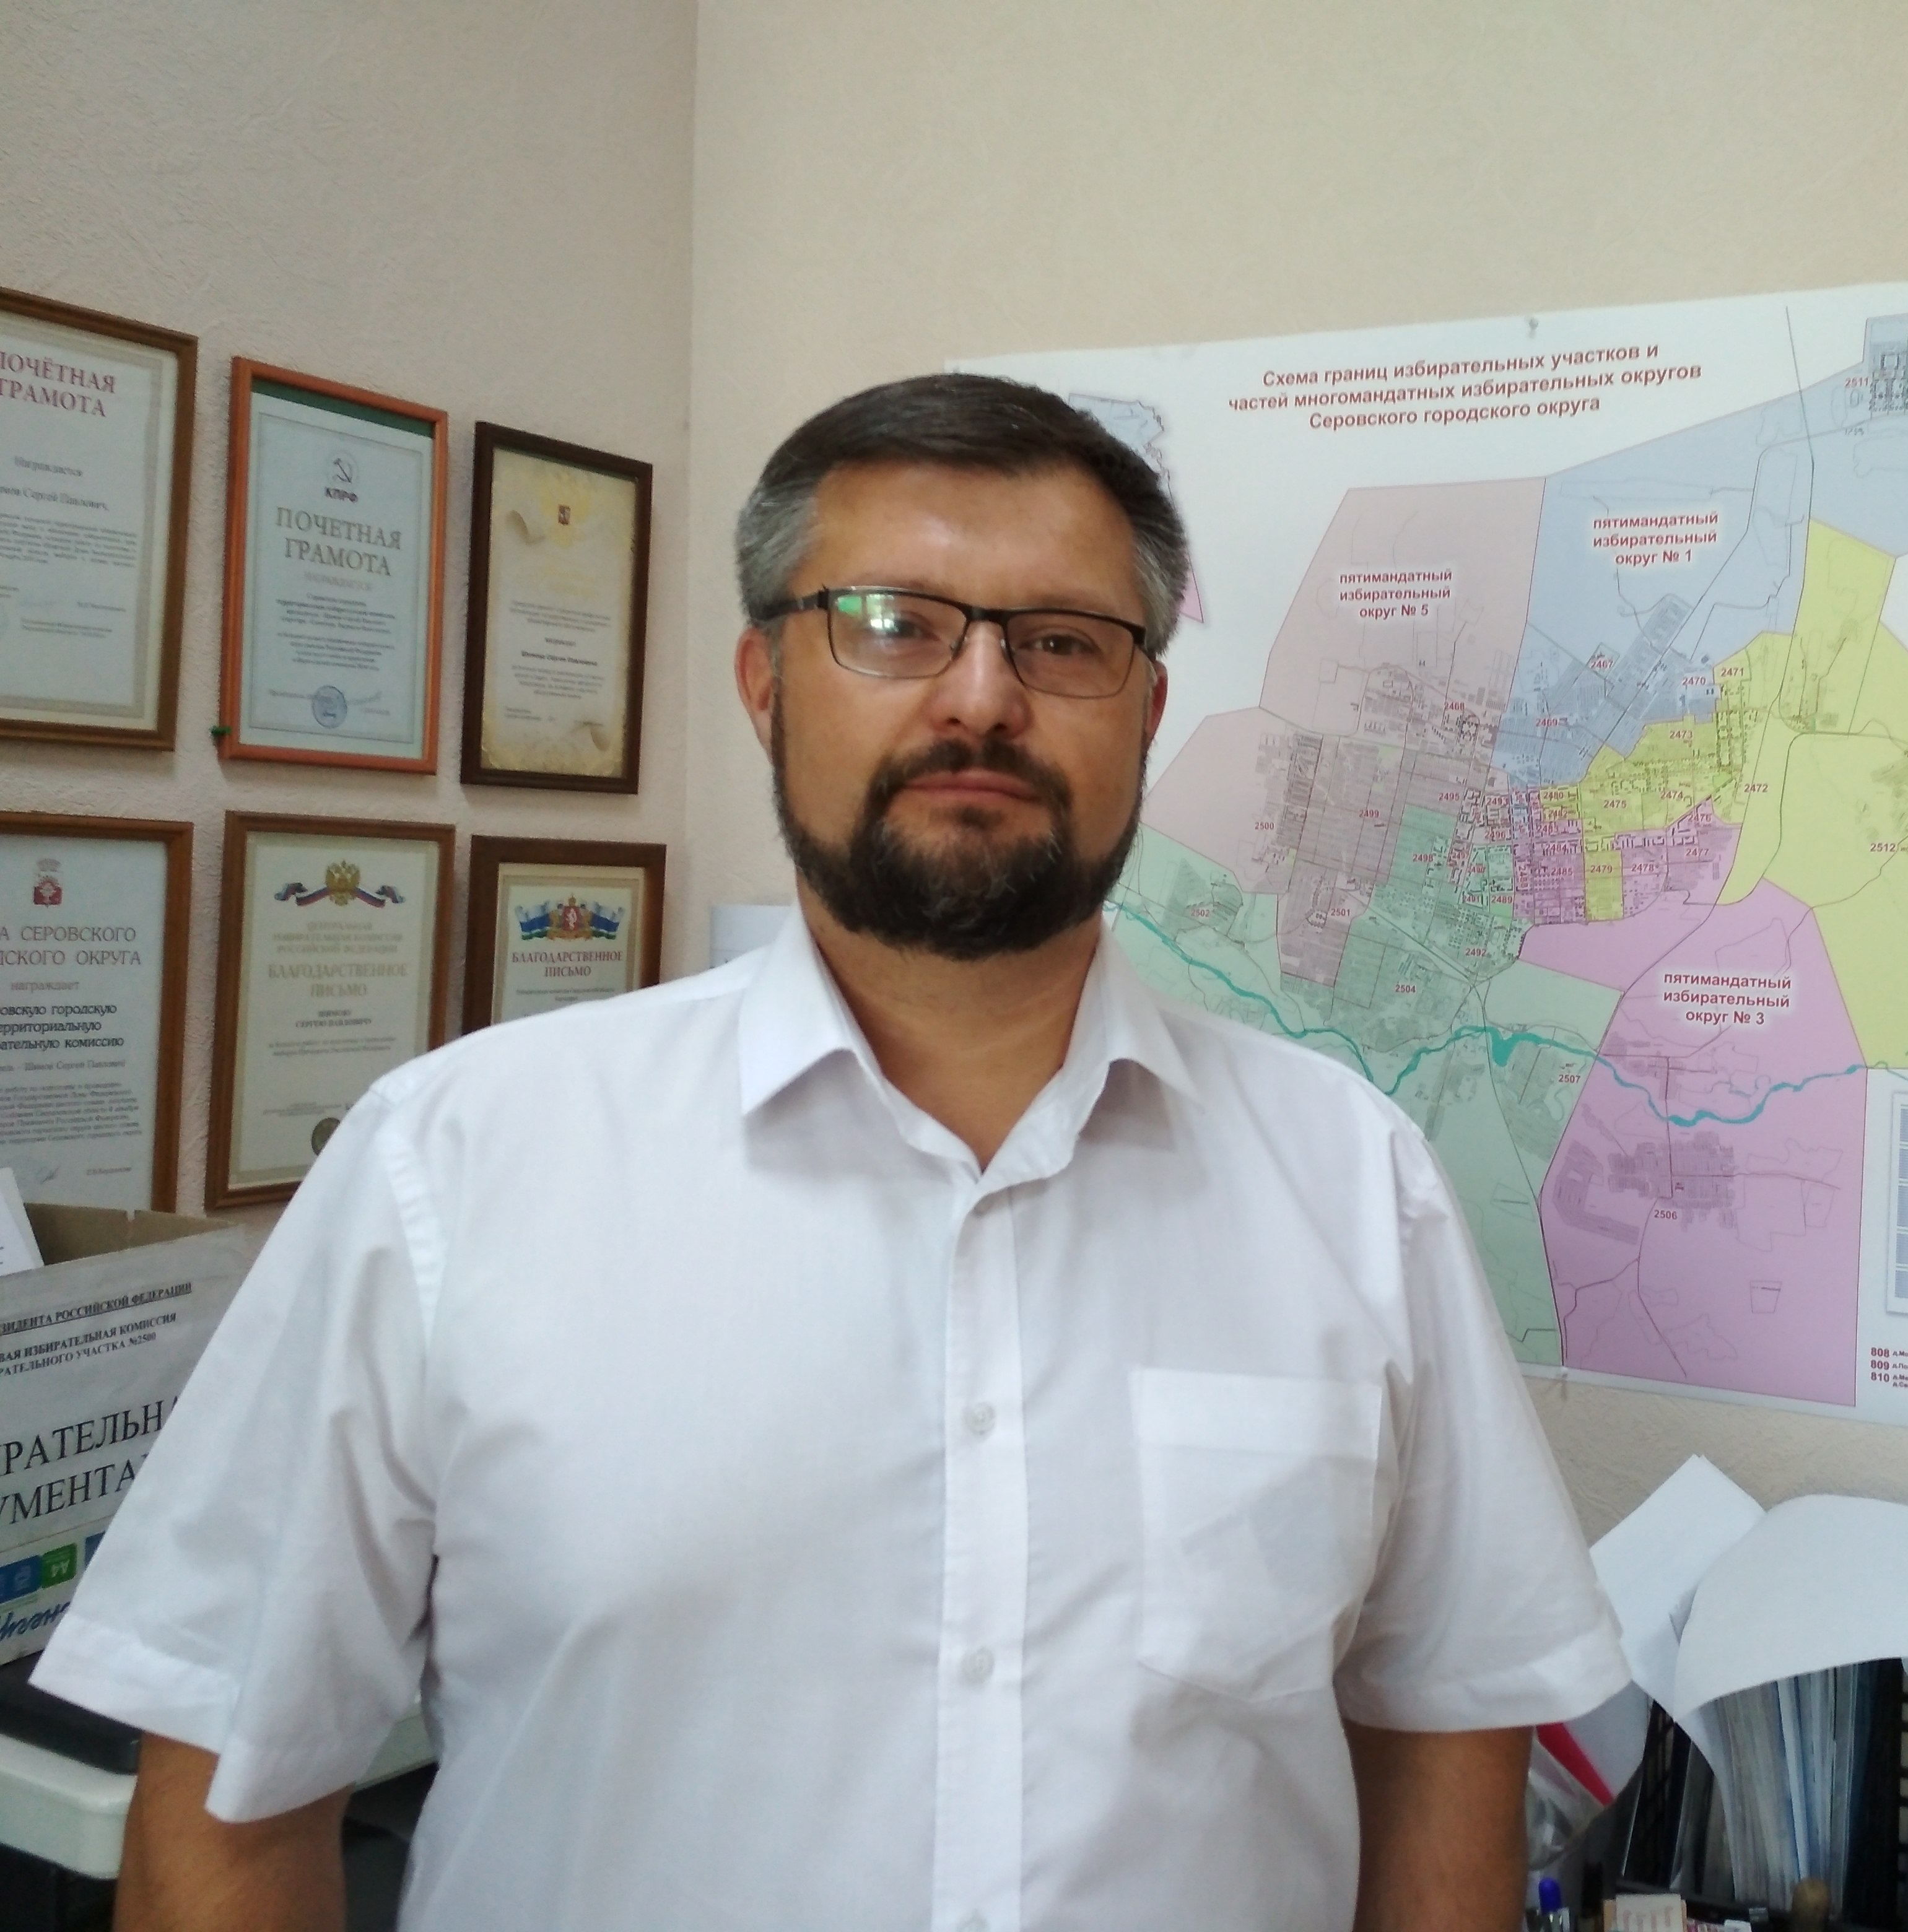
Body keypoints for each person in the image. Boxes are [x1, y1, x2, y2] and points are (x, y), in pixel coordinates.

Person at [37, 375, 1629, 1931]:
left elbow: (1445, 1743)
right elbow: (234, 1792)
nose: (980, 697)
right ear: (764, 683)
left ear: (1147, 710)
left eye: (1061, 642)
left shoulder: (1352, 1183)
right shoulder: (452, 1164)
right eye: (891, 622)